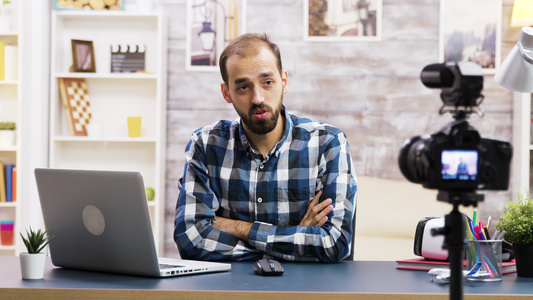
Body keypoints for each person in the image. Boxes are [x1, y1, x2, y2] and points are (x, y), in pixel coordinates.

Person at [174, 33, 357, 262]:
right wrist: (297, 239)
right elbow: (190, 240)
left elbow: (334, 243)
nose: (258, 97)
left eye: (267, 82)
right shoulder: (205, 145)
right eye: (243, 87)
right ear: (226, 93)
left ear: (284, 81)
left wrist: (238, 228)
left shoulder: (327, 143)